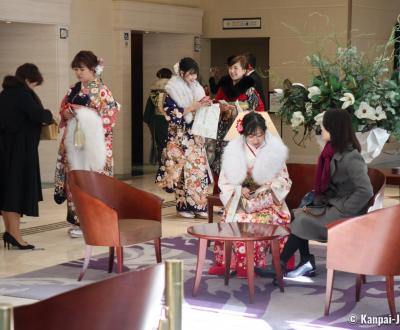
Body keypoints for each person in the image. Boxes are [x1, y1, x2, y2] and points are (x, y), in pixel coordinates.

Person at [260, 108, 373, 279]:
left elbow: (366, 191)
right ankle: (304, 262)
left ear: (334, 129)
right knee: (299, 213)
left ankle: (280, 264)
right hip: (333, 204)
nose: (322, 129)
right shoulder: (331, 151)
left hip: (346, 213)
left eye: (324, 126)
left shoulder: (352, 157)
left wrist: (344, 209)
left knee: (303, 219)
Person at [208, 112, 291, 277]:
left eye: (260, 135)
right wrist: (240, 189)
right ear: (244, 134)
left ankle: (259, 263)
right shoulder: (233, 151)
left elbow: (284, 179)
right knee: (232, 220)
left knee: (257, 220)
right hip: (241, 198)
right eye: (252, 136)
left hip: (267, 201)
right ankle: (230, 263)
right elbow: (225, 181)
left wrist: (268, 187)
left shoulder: (274, 150)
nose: (257, 139)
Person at [54, 51, 120, 238]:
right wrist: (66, 114)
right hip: (75, 140)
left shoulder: (102, 91)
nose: (78, 73)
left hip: (93, 142)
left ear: (93, 69)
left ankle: (96, 220)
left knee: (95, 180)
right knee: (76, 179)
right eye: (76, 69)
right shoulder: (73, 89)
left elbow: (110, 116)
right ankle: (79, 221)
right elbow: (63, 108)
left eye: (81, 69)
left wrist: (84, 115)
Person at [0, 63, 53, 249]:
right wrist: (49, 113)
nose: (33, 89)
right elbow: (40, 115)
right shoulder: (22, 94)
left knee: (7, 193)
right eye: (34, 85)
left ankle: (10, 233)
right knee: (15, 193)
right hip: (18, 152)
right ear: (29, 80)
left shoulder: (5, 93)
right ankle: (15, 235)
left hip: (6, 150)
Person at [156, 57, 212, 219]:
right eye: (190, 74)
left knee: (197, 170)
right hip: (179, 136)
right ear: (181, 73)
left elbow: (200, 109)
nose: (193, 78)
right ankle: (182, 205)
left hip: (195, 135)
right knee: (181, 172)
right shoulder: (172, 89)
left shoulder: (197, 88)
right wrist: (191, 107)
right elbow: (170, 114)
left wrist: (204, 105)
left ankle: (199, 205)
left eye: (195, 74)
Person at [210, 54, 265, 194]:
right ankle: (221, 196)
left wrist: (241, 110)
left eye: (236, 68)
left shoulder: (250, 89)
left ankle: (240, 196)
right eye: (230, 68)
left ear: (245, 70)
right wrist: (219, 108)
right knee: (221, 162)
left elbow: (258, 110)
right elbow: (215, 104)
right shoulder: (224, 86)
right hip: (223, 131)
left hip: (242, 132)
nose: (232, 71)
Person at [143, 68, 172, 166]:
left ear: (159, 76)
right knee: (172, 144)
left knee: (161, 145)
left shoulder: (155, 90)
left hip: (159, 121)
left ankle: (162, 167)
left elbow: (148, 112)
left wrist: (150, 123)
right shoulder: (174, 89)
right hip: (173, 119)